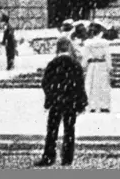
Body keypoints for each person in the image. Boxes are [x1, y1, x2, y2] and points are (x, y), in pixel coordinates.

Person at [35, 38, 88, 167]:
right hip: (70, 102)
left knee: (52, 130)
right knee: (69, 130)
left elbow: (46, 83)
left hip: (57, 101)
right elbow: (80, 84)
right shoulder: (75, 64)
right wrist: (81, 102)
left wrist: (50, 98)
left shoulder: (53, 63)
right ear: (69, 48)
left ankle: (49, 156)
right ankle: (67, 157)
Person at [82, 22, 112, 112]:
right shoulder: (104, 43)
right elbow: (107, 55)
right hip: (102, 64)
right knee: (103, 85)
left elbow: (85, 56)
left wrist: (83, 66)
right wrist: (110, 67)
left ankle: (92, 105)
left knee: (92, 85)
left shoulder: (88, 43)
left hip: (92, 65)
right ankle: (104, 105)